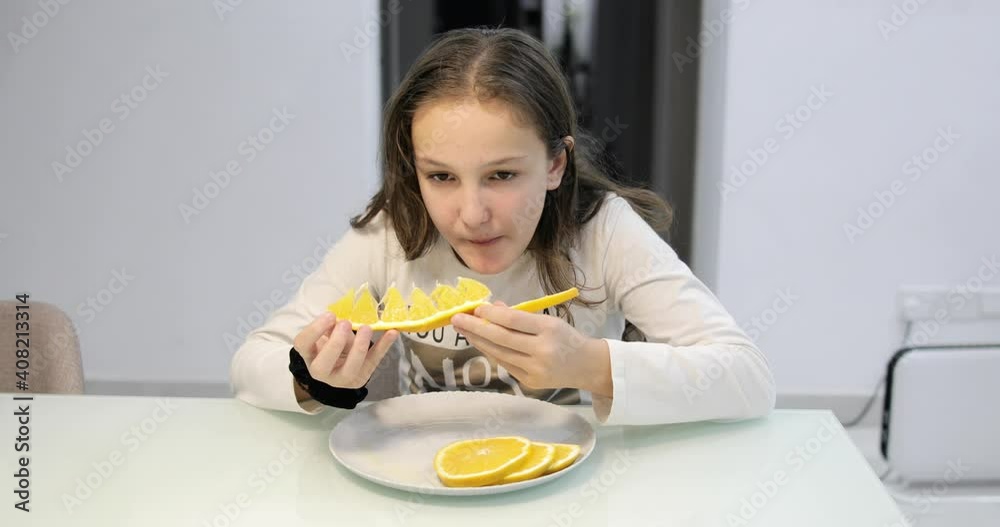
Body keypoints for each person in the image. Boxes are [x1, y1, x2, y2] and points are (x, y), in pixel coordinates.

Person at [231, 27, 775, 426]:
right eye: (441, 176)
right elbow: (251, 364)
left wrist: (589, 364)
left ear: (556, 164)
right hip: (424, 479)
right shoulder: (395, 231)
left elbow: (749, 378)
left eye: (502, 175)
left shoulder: (603, 230)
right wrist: (311, 380)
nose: (471, 214)